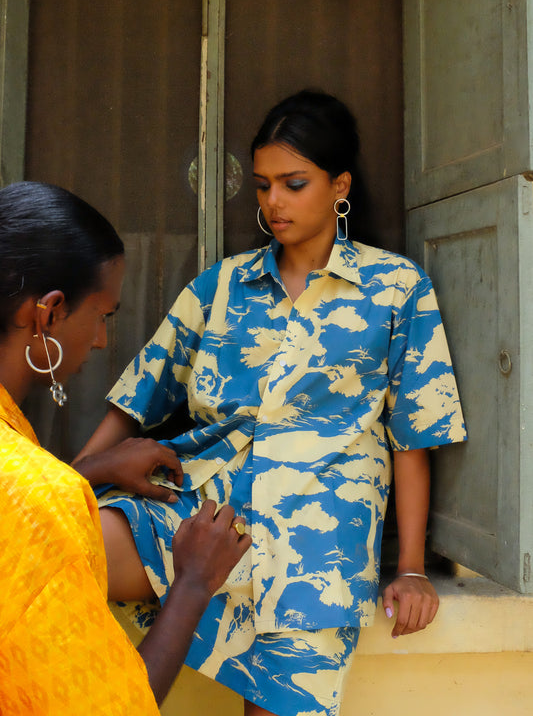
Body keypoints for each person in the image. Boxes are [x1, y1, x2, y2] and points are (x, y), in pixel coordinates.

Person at [76, 90, 467, 716]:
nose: (273, 203)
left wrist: (414, 567)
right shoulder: (223, 285)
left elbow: (412, 436)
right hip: (201, 513)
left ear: (339, 185)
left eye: (293, 183)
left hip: (315, 552)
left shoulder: (398, 289)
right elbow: (136, 399)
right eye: (262, 186)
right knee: (64, 543)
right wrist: (61, 488)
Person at [0, 180, 251, 715]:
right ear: (47, 314)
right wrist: (192, 583)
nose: (100, 340)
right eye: (103, 316)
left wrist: (87, 470)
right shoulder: (40, 494)